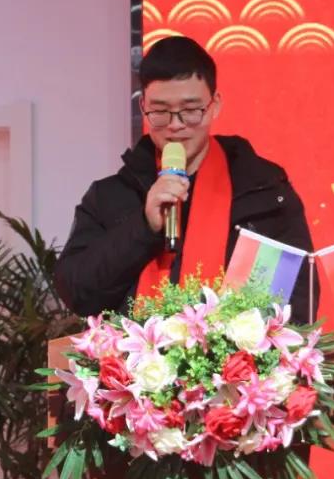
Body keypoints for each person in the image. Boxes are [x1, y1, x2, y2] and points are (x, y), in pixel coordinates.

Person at [54, 36, 317, 323]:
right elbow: (77, 293)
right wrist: (143, 227)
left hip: (233, 353)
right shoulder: (109, 196)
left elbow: (297, 303)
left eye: (190, 111)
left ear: (214, 105)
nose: (176, 125)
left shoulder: (263, 191)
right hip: (135, 351)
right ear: (143, 107)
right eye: (160, 111)